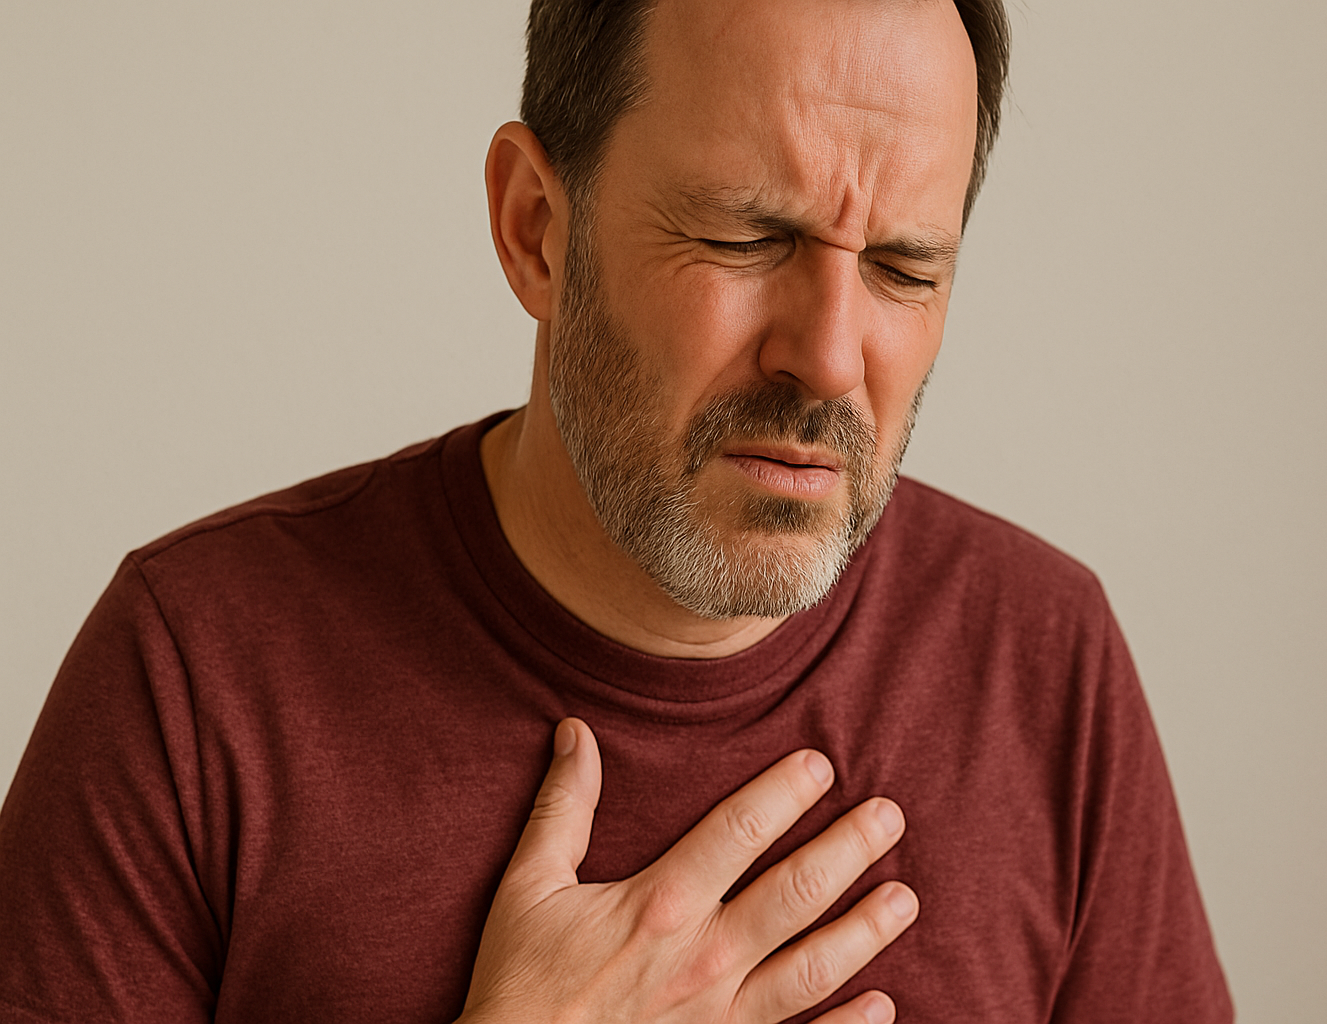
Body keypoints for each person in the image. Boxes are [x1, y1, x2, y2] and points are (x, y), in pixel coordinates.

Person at [0, 0, 1233, 1021]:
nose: (831, 357)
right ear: (536, 228)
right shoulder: (194, 673)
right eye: (746, 237)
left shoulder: (1044, 656)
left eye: (906, 268)